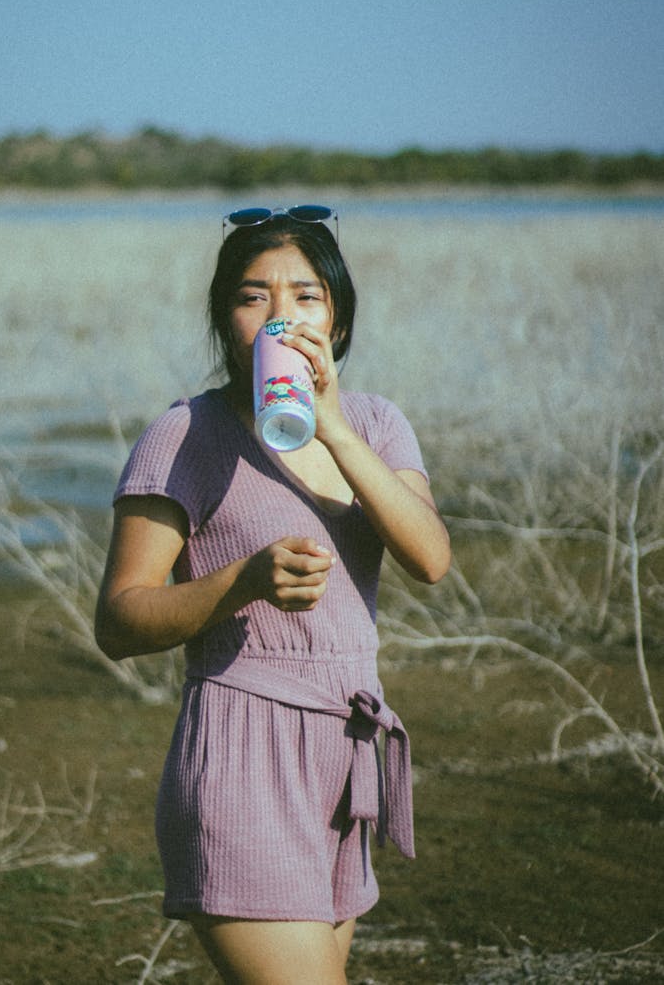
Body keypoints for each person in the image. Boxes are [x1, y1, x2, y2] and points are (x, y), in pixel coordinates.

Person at [95, 205, 451, 985]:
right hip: (239, 758)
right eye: (254, 295)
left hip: (344, 764)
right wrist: (240, 583)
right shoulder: (184, 432)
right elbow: (119, 618)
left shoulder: (377, 425)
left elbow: (430, 558)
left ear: (339, 318)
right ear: (227, 321)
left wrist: (334, 427)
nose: (281, 314)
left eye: (307, 296)